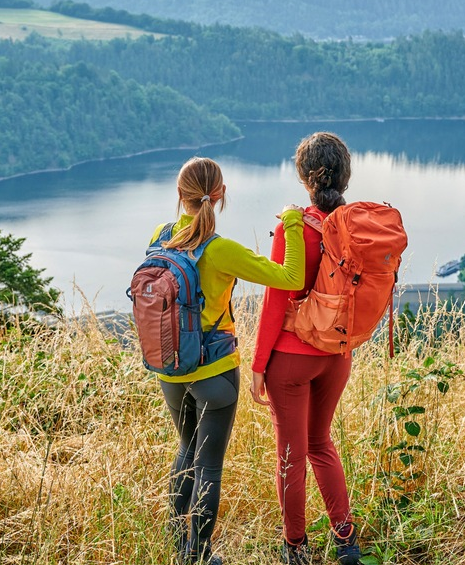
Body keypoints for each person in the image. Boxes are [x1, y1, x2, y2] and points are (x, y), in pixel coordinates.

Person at [152, 156, 306, 565]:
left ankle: (178, 545)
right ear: (219, 195)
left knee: (185, 449)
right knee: (209, 467)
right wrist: (292, 221)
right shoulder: (221, 251)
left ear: (181, 196)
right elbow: (291, 277)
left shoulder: (161, 236)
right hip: (216, 375)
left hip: (170, 368)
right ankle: (199, 555)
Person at [250, 132, 361, 565]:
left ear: (303, 177)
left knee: (291, 455)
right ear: (345, 175)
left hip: (292, 361)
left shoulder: (293, 226)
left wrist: (260, 363)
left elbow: (279, 297)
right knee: (321, 443)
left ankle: (295, 545)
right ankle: (346, 537)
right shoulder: (356, 226)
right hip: (337, 355)